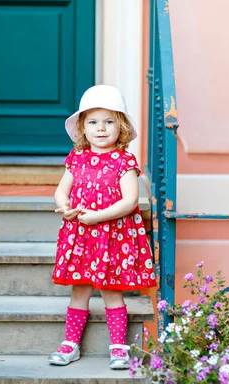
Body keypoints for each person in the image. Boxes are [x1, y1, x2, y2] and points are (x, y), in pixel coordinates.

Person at [48, 85, 156, 369]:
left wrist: (98, 216)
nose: (101, 128)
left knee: (111, 289)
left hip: (112, 237)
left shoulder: (124, 162)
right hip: (81, 236)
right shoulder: (76, 159)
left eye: (109, 121)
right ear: (82, 128)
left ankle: (118, 347)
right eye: (93, 122)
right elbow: (61, 191)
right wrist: (65, 206)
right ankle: (70, 344)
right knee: (80, 289)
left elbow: (130, 200)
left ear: (120, 127)